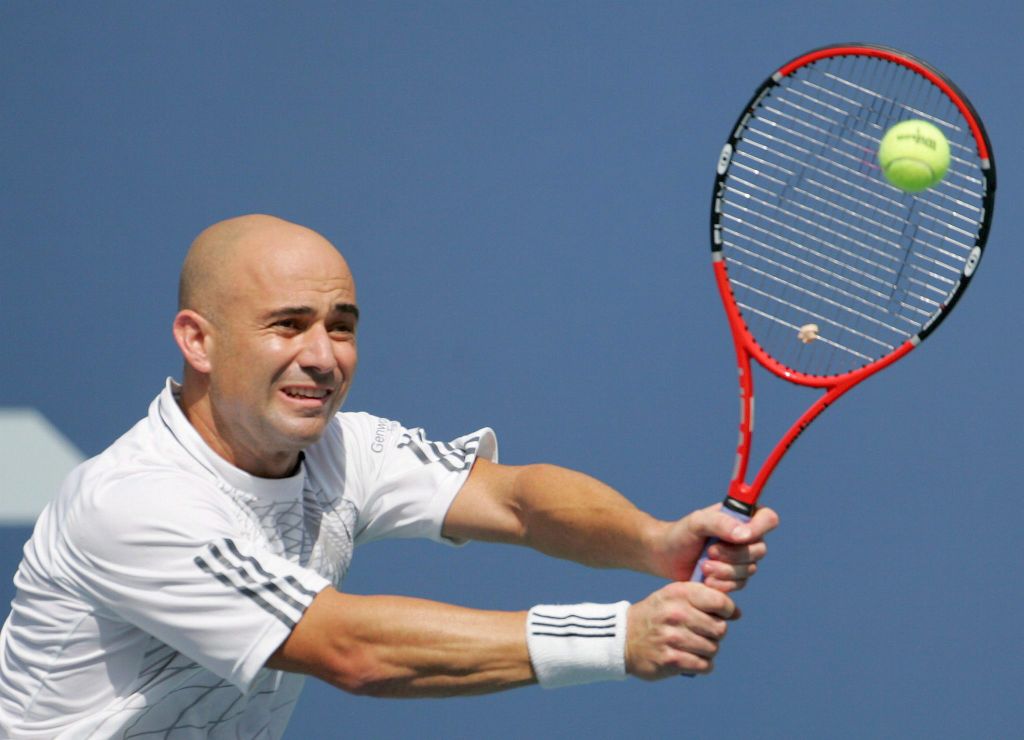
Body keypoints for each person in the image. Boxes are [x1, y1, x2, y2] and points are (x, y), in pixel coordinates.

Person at [0, 214, 778, 737]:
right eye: (287, 325)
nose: (322, 356)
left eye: (341, 327)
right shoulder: (134, 505)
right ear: (197, 341)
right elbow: (353, 651)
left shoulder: (346, 448)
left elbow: (516, 500)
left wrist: (653, 542)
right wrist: (617, 637)